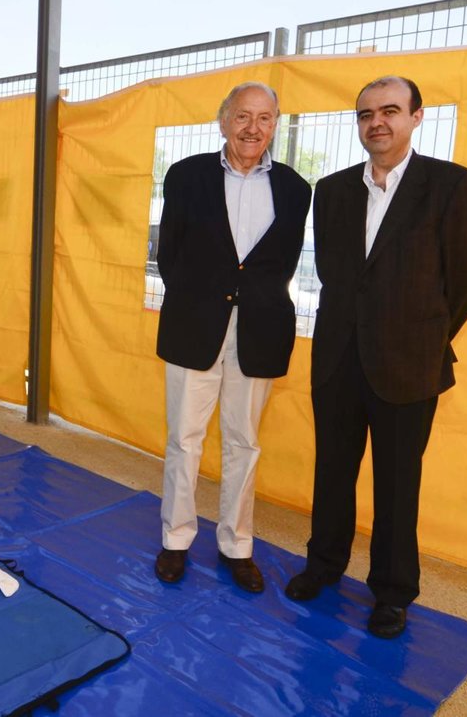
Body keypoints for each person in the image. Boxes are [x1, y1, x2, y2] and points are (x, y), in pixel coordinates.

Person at [284, 76, 467, 639]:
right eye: (366, 113)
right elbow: (337, 275)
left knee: (398, 483)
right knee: (332, 470)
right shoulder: (332, 190)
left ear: (416, 117)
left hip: (409, 364)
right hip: (338, 359)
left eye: (390, 111)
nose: (377, 122)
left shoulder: (451, 185)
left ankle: (393, 593)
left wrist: (424, 338)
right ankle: (323, 565)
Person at [154, 82, 311, 592]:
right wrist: (199, 302)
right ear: (223, 121)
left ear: (275, 125)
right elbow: (169, 254)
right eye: (243, 116)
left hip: (260, 331)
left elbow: (281, 263)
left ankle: (237, 545)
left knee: (244, 442)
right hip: (194, 326)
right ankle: (176, 539)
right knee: (184, 439)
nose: (253, 128)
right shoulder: (186, 175)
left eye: (265, 118)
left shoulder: (296, 189)